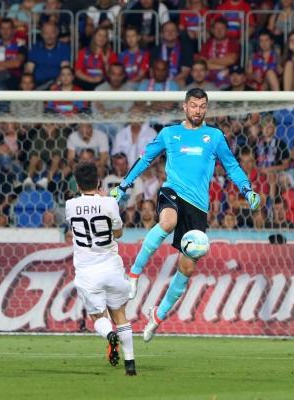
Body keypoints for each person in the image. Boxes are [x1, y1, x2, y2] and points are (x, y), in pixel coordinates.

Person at [109, 88, 260, 341]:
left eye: (202, 106)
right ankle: (133, 274)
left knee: (187, 268)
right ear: (184, 107)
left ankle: (158, 316)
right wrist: (123, 186)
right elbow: (145, 159)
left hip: (198, 207)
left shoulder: (214, 136)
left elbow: (232, 166)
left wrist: (247, 189)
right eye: (193, 105)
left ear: (206, 108)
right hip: (173, 192)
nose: (197, 110)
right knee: (168, 222)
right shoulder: (169, 134)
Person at [65, 162, 136, 376]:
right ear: (98, 182)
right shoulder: (109, 203)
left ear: (77, 184)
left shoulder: (70, 205)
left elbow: (74, 230)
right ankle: (130, 364)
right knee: (120, 314)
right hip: (111, 267)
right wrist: (105, 201)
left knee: (97, 317)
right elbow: (119, 233)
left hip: (87, 272)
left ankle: (109, 335)